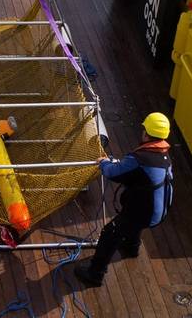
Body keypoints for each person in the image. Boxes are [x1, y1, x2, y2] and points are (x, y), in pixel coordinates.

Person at [74, 112, 173, 287]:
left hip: (143, 213)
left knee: (109, 234)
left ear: (146, 133)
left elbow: (113, 172)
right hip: (159, 211)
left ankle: (95, 274)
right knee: (135, 222)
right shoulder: (165, 156)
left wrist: (104, 162)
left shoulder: (140, 158)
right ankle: (131, 247)